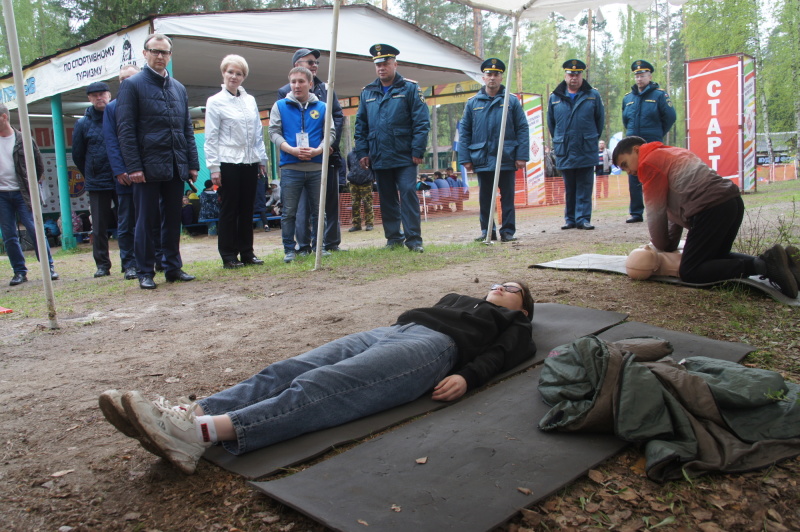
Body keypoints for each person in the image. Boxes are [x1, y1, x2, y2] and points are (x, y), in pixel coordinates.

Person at [100, 280, 536, 474]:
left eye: (511, 288)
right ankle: (190, 413)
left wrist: (469, 378)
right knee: (288, 369)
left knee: (323, 388)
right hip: (392, 332)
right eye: (498, 283)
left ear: (523, 307)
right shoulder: (459, 298)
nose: (499, 286)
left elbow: (506, 355)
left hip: (431, 351)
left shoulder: (513, 324)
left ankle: (198, 434)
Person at [612, 136, 798, 298]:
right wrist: (668, 243)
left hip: (710, 209)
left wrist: (662, 245)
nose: (629, 172)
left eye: (625, 164)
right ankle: (787, 266)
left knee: (691, 271)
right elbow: (672, 210)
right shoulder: (672, 153)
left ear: (636, 150)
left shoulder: (648, 164)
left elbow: (655, 212)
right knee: (716, 258)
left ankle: (764, 266)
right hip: (731, 202)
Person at [116, 33, 199, 290]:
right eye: (155, 51)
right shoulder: (132, 85)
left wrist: (192, 164)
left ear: (170, 55)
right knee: (145, 220)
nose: (160, 56)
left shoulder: (179, 88)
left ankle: (172, 267)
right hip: (146, 167)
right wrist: (134, 167)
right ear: (145, 53)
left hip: (175, 165)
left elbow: (186, 128)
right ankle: (145, 271)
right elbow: (126, 130)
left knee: (173, 218)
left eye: (164, 52)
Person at [355, 44, 430, 253]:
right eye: (378, 64)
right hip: (378, 154)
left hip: (405, 154)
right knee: (386, 197)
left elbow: (422, 121)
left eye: (385, 63)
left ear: (395, 64)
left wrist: (418, 150)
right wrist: (362, 152)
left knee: (407, 192)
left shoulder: (410, 88)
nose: (381, 68)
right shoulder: (367, 92)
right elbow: (360, 124)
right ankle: (393, 238)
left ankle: (414, 239)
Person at [204, 54, 268, 270]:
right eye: (230, 72)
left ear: (244, 77)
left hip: (250, 161)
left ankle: (247, 252)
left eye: (238, 73)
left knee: (247, 208)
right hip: (228, 162)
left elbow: (258, 133)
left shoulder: (250, 100)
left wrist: (262, 159)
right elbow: (211, 137)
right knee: (229, 209)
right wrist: (214, 167)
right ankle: (228, 255)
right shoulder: (215, 101)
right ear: (223, 73)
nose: (234, 76)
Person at [278, 48, 344, 254]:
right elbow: (280, 128)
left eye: (316, 62)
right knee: (299, 207)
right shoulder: (284, 94)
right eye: (310, 62)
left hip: (325, 155)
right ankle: (303, 245)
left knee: (326, 203)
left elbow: (337, 117)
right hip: (294, 159)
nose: (315, 65)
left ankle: (329, 242)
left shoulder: (326, 88)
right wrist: (295, 150)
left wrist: (328, 145)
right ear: (297, 64)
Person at [269, 66, 336, 264]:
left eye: (301, 81)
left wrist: (319, 150)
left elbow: (330, 133)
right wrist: (290, 149)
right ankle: (289, 249)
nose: (297, 85)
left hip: (316, 167)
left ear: (310, 84)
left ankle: (319, 247)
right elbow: (273, 132)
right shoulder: (279, 106)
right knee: (289, 211)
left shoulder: (323, 107)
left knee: (319, 211)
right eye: (293, 82)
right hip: (290, 168)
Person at [458, 58, 529, 242]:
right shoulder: (473, 103)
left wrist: (521, 155)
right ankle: (487, 231)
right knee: (485, 198)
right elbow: (464, 131)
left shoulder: (511, 101)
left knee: (507, 198)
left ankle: (507, 232)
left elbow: (522, 128)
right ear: (483, 77)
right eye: (489, 74)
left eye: (496, 74)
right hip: (481, 158)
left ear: (501, 77)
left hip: (506, 156)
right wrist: (465, 158)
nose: (492, 78)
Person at [0, 103, 59, 286]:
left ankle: (48, 268)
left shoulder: (23, 138)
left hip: (23, 193)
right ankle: (19, 272)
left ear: (4, 117)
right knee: (9, 234)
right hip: (2, 194)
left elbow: (38, 165)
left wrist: (31, 184)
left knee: (35, 229)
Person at [104, 64, 149, 280]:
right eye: (121, 79)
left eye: (129, 78)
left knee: (150, 218)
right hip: (125, 177)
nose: (125, 82)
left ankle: (153, 258)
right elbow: (111, 141)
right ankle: (129, 263)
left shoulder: (146, 102)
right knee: (126, 222)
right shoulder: (112, 108)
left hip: (148, 174)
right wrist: (120, 169)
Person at [547, 59, 605, 231]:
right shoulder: (555, 97)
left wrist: (589, 138)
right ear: (565, 75)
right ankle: (570, 219)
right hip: (565, 148)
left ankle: (583, 218)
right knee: (569, 186)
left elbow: (599, 121)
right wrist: (560, 139)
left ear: (582, 75)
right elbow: (552, 124)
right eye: (571, 74)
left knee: (585, 186)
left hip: (585, 147)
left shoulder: (593, 95)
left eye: (577, 74)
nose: (574, 77)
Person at [621, 60, 676, 224]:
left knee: (654, 175)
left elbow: (670, 117)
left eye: (642, 75)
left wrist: (658, 133)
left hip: (651, 141)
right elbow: (626, 120)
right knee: (633, 176)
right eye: (637, 75)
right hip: (633, 145)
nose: (639, 79)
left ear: (649, 76)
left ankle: (659, 210)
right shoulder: (628, 98)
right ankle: (636, 212)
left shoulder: (659, 95)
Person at [72, 81, 118, 279]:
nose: (100, 98)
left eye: (103, 94)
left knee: (128, 222)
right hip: (97, 180)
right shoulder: (82, 123)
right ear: (89, 99)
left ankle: (131, 262)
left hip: (121, 178)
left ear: (109, 95)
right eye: (95, 95)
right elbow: (78, 155)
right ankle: (102, 265)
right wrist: (90, 172)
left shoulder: (118, 116)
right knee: (98, 226)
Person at [346, 149, 374, 232]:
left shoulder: (368, 154)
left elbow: (372, 167)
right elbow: (349, 166)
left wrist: (372, 178)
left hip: (366, 182)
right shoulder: (350, 154)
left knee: (367, 203)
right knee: (355, 204)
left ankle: (369, 224)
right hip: (353, 182)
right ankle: (356, 224)